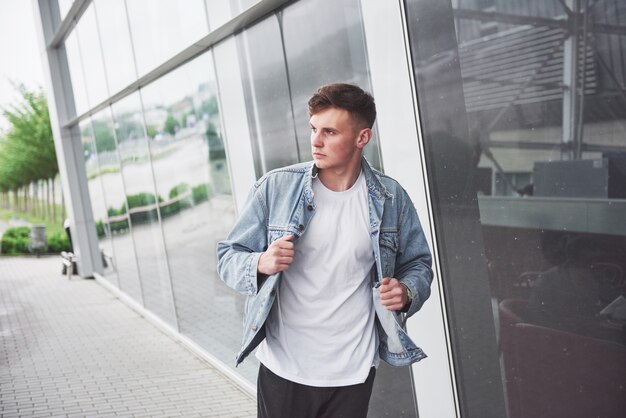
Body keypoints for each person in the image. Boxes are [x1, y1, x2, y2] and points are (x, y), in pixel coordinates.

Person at [217, 83, 433, 418]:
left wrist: (406, 291)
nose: (316, 141)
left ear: (362, 138)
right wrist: (260, 262)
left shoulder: (391, 199)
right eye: (314, 129)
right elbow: (228, 256)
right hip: (285, 367)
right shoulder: (276, 188)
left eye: (329, 132)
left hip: (354, 369)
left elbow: (418, 262)